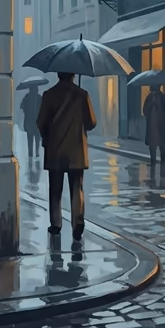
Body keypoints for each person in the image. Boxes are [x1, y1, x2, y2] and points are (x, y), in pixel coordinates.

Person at [36, 72, 97, 242]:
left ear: (58, 74)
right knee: (77, 188)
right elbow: (92, 122)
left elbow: (40, 122)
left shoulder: (49, 95)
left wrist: (47, 137)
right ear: (73, 75)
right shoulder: (82, 95)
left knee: (55, 190)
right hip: (76, 149)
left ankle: (56, 224)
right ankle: (77, 223)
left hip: (55, 150)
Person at [143, 84, 165, 169]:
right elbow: (145, 111)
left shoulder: (162, 97)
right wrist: (151, 105)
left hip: (160, 124)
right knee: (152, 145)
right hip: (152, 124)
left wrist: (158, 105)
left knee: (162, 145)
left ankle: (162, 162)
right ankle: (153, 161)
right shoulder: (149, 97)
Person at [20, 87, 43, 160]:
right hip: (36, 121)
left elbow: (22, 106)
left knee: (31, 138)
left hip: (30, 121)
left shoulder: (27, 97)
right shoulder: (38, 97)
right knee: (36, 138)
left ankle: (31, 153)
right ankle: (36, 153)